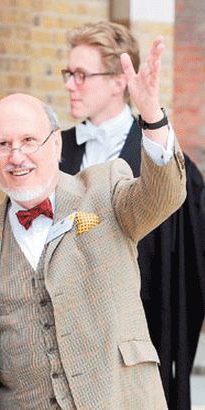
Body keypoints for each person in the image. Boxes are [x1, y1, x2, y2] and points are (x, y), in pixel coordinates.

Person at [0, 36, 183, 408]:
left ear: (56, 144)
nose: (17, 156)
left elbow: (163, 196)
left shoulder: (103, 190)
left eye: (28, 140)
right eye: (2, 144)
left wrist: (152, 116)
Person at [59, 21, 205, 409]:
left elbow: (188, 274)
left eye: (81, 74)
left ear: (117, 82)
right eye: (67, 73)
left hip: (140, 338)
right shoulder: (55, 151)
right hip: (67, 339)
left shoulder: (167, 163)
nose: (70, 84)